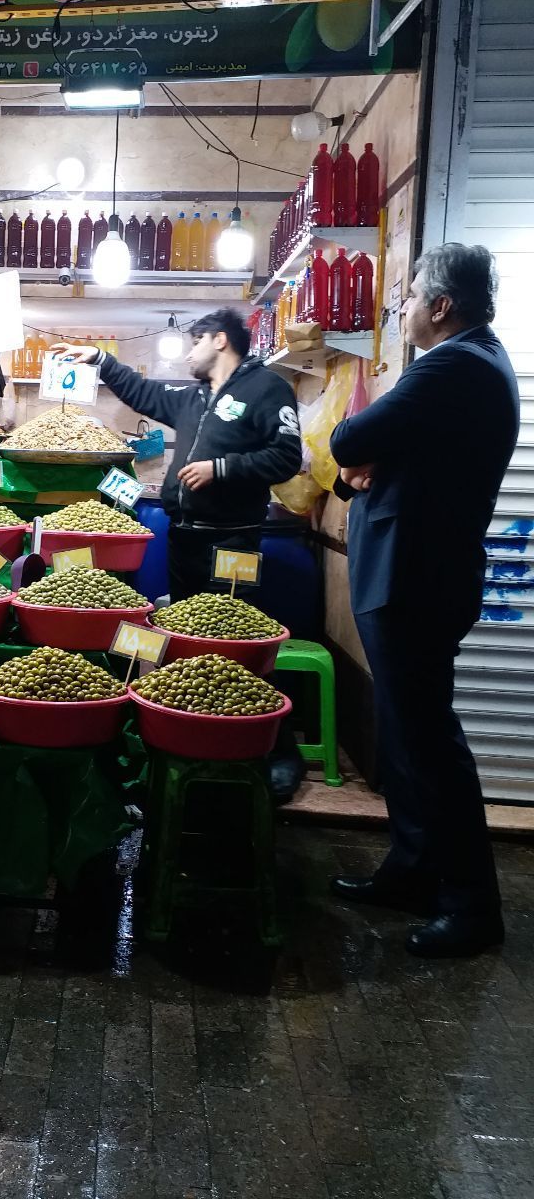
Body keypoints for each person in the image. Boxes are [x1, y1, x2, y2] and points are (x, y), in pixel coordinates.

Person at [330, 243, 519, 957]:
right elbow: (360, 463)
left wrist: (356, 458)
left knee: (431, 744)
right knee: (407, 738)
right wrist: (357, 468)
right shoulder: (473, 363)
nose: (402, 308)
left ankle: (473, 906)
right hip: (412, 577)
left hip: (415, 581)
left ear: (441, 306)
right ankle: (413, 870)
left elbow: (350, 437)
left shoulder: (455, 365)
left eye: (409, 296)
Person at [54, 308, 304, 799]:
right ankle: (198, 741)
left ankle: (276, 751)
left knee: (234, 646)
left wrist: (221, 468)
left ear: (219, 340)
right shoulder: (195, 397)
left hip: (233, 542)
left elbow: (286, 456)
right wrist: (100, 360)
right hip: (185, 539)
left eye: (194, 343)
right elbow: (144, 392)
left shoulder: (267, 389)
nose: (189, 353)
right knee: (186, 645)